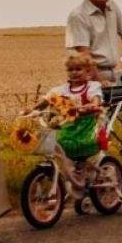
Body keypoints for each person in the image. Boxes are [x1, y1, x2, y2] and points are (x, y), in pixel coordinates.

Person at [22, 53, 105, 183]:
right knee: (63, 147)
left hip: (86, 127)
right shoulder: (63, 89)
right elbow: (48, 99)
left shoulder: (92, 86)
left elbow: (96, 98)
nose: (74, 73)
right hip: (68, 126)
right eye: (70, 70)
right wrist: (33, 109)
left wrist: (93, 105)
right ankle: (74, 177)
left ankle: (79, 175)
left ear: (87, 70)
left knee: (79, 148)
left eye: (78, 69)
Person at [65, 0, 122, 85]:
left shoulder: (112, 7)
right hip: (91, 76)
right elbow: (84, 54)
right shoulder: (78, 15)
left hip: (113, 72)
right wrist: (99, 81)